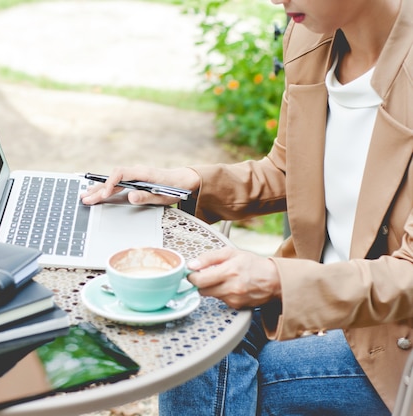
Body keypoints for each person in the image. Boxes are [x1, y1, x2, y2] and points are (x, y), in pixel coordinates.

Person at [81, 0, 413, 414]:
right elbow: (292, 170)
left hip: (394, 341)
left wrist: (279, 281)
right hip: (324, 297)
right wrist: (193, 183)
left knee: (227, 377)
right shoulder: (313, 39)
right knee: (191, 324)